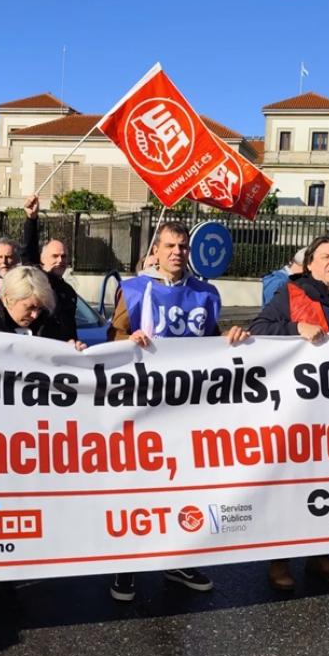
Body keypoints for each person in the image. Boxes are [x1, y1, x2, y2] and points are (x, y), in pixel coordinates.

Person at [107, 221, 249, 602]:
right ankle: (127, 565)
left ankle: (177, 558)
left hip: (188, 409)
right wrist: (129, 338)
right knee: (139, 488)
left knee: (183, 488)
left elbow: (213, 341)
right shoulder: (136, 289)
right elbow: (113, 336)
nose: (176, 252)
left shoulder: (205, 293)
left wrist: (232, 337)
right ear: (156, 250)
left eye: (182, 246)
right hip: (144, 404)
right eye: (169, 245)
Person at [0, 266, 83, 633]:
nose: (35, 314)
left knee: (12, 521)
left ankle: (5, 590)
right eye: (28, 307)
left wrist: (72, 352)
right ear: (7, 299)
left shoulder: (47, 325)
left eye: (39, 307)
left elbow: (65, 363)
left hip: (25, 446)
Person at [249, 235, 329, 589]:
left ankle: (321, 555)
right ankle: (278, 560)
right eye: (326, 256)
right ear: (311, 264)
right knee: (289, 485)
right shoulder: (291, 293)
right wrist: (295, 328)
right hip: (296, 410)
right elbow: (260, 329)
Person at [18, 195, 79, 341]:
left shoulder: (69, 292)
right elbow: (28, 252)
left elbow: (71, 329)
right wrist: (31, 219)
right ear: (42, 259)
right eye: (55, 256)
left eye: (64, 256)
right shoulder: (37, 280)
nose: (60, 260)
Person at [0, 195, 42, 294]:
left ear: (18, 259)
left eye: (8, 257)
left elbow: (30, 250)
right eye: (0, 257)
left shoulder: (25, 282)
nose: (4, 261)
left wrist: (31, 219)